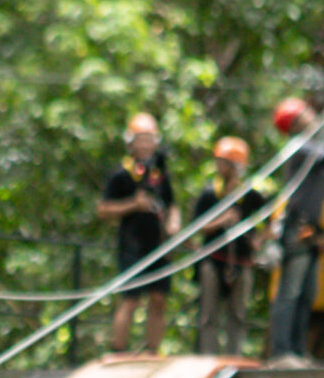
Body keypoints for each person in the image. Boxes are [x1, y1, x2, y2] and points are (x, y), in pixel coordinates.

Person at [265, 97, 324, 364]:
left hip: (313, 228)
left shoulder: (313, 148)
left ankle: (296, 349)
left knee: (307, 293)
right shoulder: (300, 149)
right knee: (290, 291)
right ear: (294, 124)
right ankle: (281, 351)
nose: (311, 116)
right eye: (304, 114)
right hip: (298, 226)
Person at [97, 112, 177, 353]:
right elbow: (103, 209)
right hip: (132, 244)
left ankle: (153, 350)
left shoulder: (160, 174)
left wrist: (173, 223)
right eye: (140, 139)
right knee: (130, 298)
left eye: (149, 139)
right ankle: (118, 350)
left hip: (159, 245)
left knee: (158, 298)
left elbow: (172, 204)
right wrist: (134, 204)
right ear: (130, 142)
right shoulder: (121, 174)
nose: (145, 144)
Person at [189, 136, 259, 355]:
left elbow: (270, 221)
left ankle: (233, 356)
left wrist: (260, 239)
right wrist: (222, 220)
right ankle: (208, 357)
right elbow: (197, 227)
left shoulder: (251, 196)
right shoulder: (210, 195)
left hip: (242, 260)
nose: (219, 167)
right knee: (208, 313)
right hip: (213, 259)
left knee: (238, 312)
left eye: (224, 162)